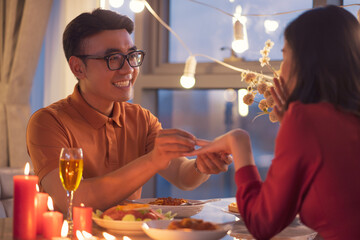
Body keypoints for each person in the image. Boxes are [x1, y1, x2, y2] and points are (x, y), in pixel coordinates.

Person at [26, 8, 232, 214]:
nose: (128, 69)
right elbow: (71, 201)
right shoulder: (48, 122)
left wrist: (201, 166)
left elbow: (181, 175)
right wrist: (152, 160)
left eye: (132, 55)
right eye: (113, 58)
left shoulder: (141, 118)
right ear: (78, 68)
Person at [186, 5, 360, 240]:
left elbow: (262, 223)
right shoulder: (332, 118)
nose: (280, 69)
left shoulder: (306, 120)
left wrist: (238, 143)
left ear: (306, 62)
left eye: (286, 55)